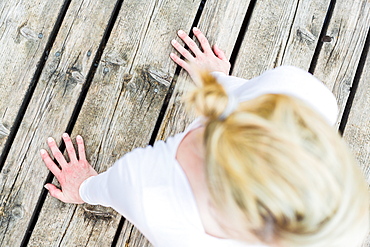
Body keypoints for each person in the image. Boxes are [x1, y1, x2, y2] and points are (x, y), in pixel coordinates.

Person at [41, 27, 369, 247]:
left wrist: (84, 186)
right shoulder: (308, 94)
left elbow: (109, 188)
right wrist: (218, 79)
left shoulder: (147, 188)